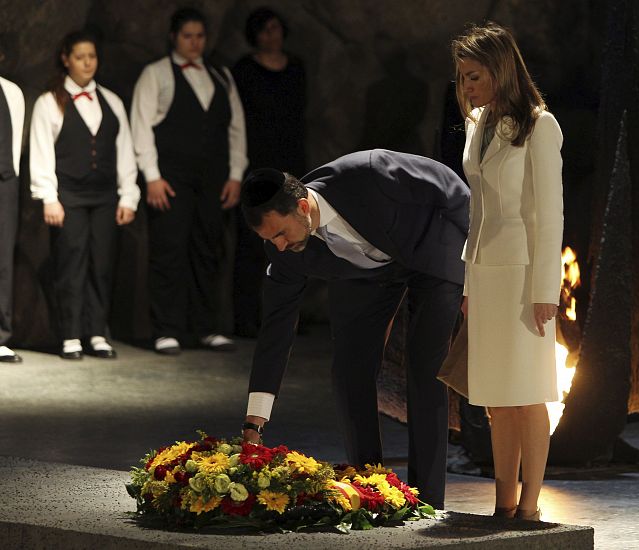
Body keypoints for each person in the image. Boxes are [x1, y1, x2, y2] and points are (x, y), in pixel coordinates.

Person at [239, 150, 469, 510]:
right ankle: (372, 490)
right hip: (367, 275)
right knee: (348, 371)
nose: (279, 246)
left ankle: (428, 501)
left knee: (425, 369)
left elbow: (450, 187)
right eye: (270, 241)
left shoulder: (370, 173)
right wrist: (255, 421)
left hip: (430, 252)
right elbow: (275, 328)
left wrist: (477, 264)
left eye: (280, 234)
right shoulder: (283, 250)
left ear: (302, 207)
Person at [451, 22, 564, 520]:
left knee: (527, 391)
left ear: (500, 70)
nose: (467, 86)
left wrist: (546, 289)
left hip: (523, 276)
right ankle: (503, 501)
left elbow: (549, 213)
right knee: (497, 397)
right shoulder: (478, 125)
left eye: (474, 75)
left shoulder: (541, 126)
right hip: (487, 272)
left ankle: (531, 504)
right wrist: (469, 281)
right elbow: (477, 210)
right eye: (462, 77)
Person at [131, 7, 247, 354]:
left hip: (213, 179)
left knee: (209, 251)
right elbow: (141, 128)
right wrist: (151, 176)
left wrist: (236, 175)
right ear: (173, 37)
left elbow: (236, 129)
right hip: (172, 179)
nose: (195, 43)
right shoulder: (156, 74)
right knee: (169, 253)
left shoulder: (221, 76)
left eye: (200, 36)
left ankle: (206, 327)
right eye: (187, 36)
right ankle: (166, 329)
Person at [29, 30, 140, 360]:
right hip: (70, 196)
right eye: (80, 57)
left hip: (105, 195)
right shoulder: (50, 102)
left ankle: (96, 332)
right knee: (71, 263)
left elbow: (124, 152)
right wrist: (49, 196)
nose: (87, 63)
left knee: (102, 264)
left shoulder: (112, 101)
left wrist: (128, 196)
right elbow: (41, 152)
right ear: (66, 59)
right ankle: (71, 335)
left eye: (92, 56)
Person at [231, 7, 306, 337]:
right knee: (253, 241)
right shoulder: (244, 70)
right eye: (264, 30)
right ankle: (247, 317)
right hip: (256, 162)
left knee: (294, 237)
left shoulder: (296, 68)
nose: (271, 36)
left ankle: (286, 318)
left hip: (289, 161)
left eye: (276, 28)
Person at [0, 73, 24, 363]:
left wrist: (10, 177)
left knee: (3, 260)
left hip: (4, 182)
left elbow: (15, 138)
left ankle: (1, 334)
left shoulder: (11, 91)